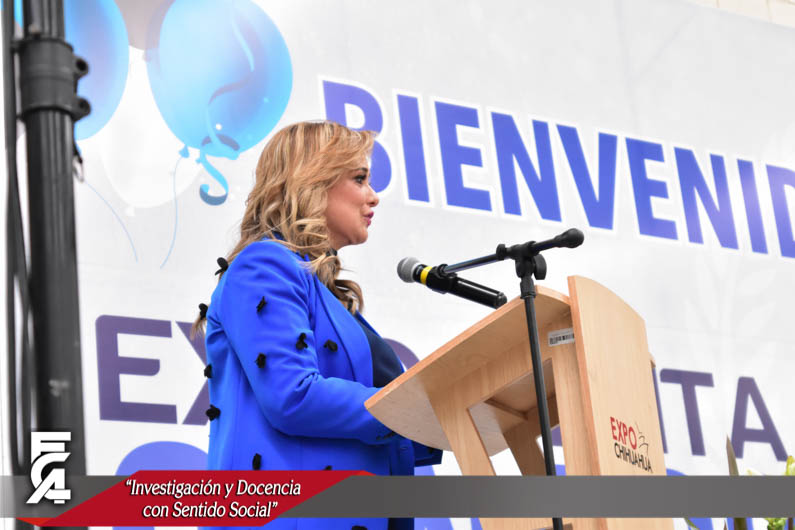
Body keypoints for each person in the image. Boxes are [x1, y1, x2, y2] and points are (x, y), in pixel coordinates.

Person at [193, 120, 441, 530]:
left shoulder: (323, 292)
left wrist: (454, 414)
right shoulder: (265, 265)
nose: (373, 196)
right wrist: (406, 411)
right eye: (359, 179)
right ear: (313, 182)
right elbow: (292, 395)